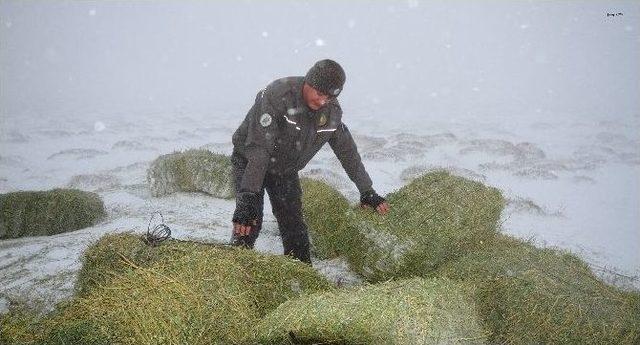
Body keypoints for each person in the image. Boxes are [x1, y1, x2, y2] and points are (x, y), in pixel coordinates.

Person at [230, 59, 390, 264]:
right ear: (308, 83)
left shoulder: (331, 111)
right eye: (320, 94)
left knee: (294, 228)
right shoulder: (279, 95)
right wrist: (248, 196)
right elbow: (260, 149)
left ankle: (300, 277)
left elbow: (347, 151)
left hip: (284, 168)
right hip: (250, 160)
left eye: (330, 96)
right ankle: (236, 265)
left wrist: (366, 190)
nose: (323, 101)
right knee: (249, 222)